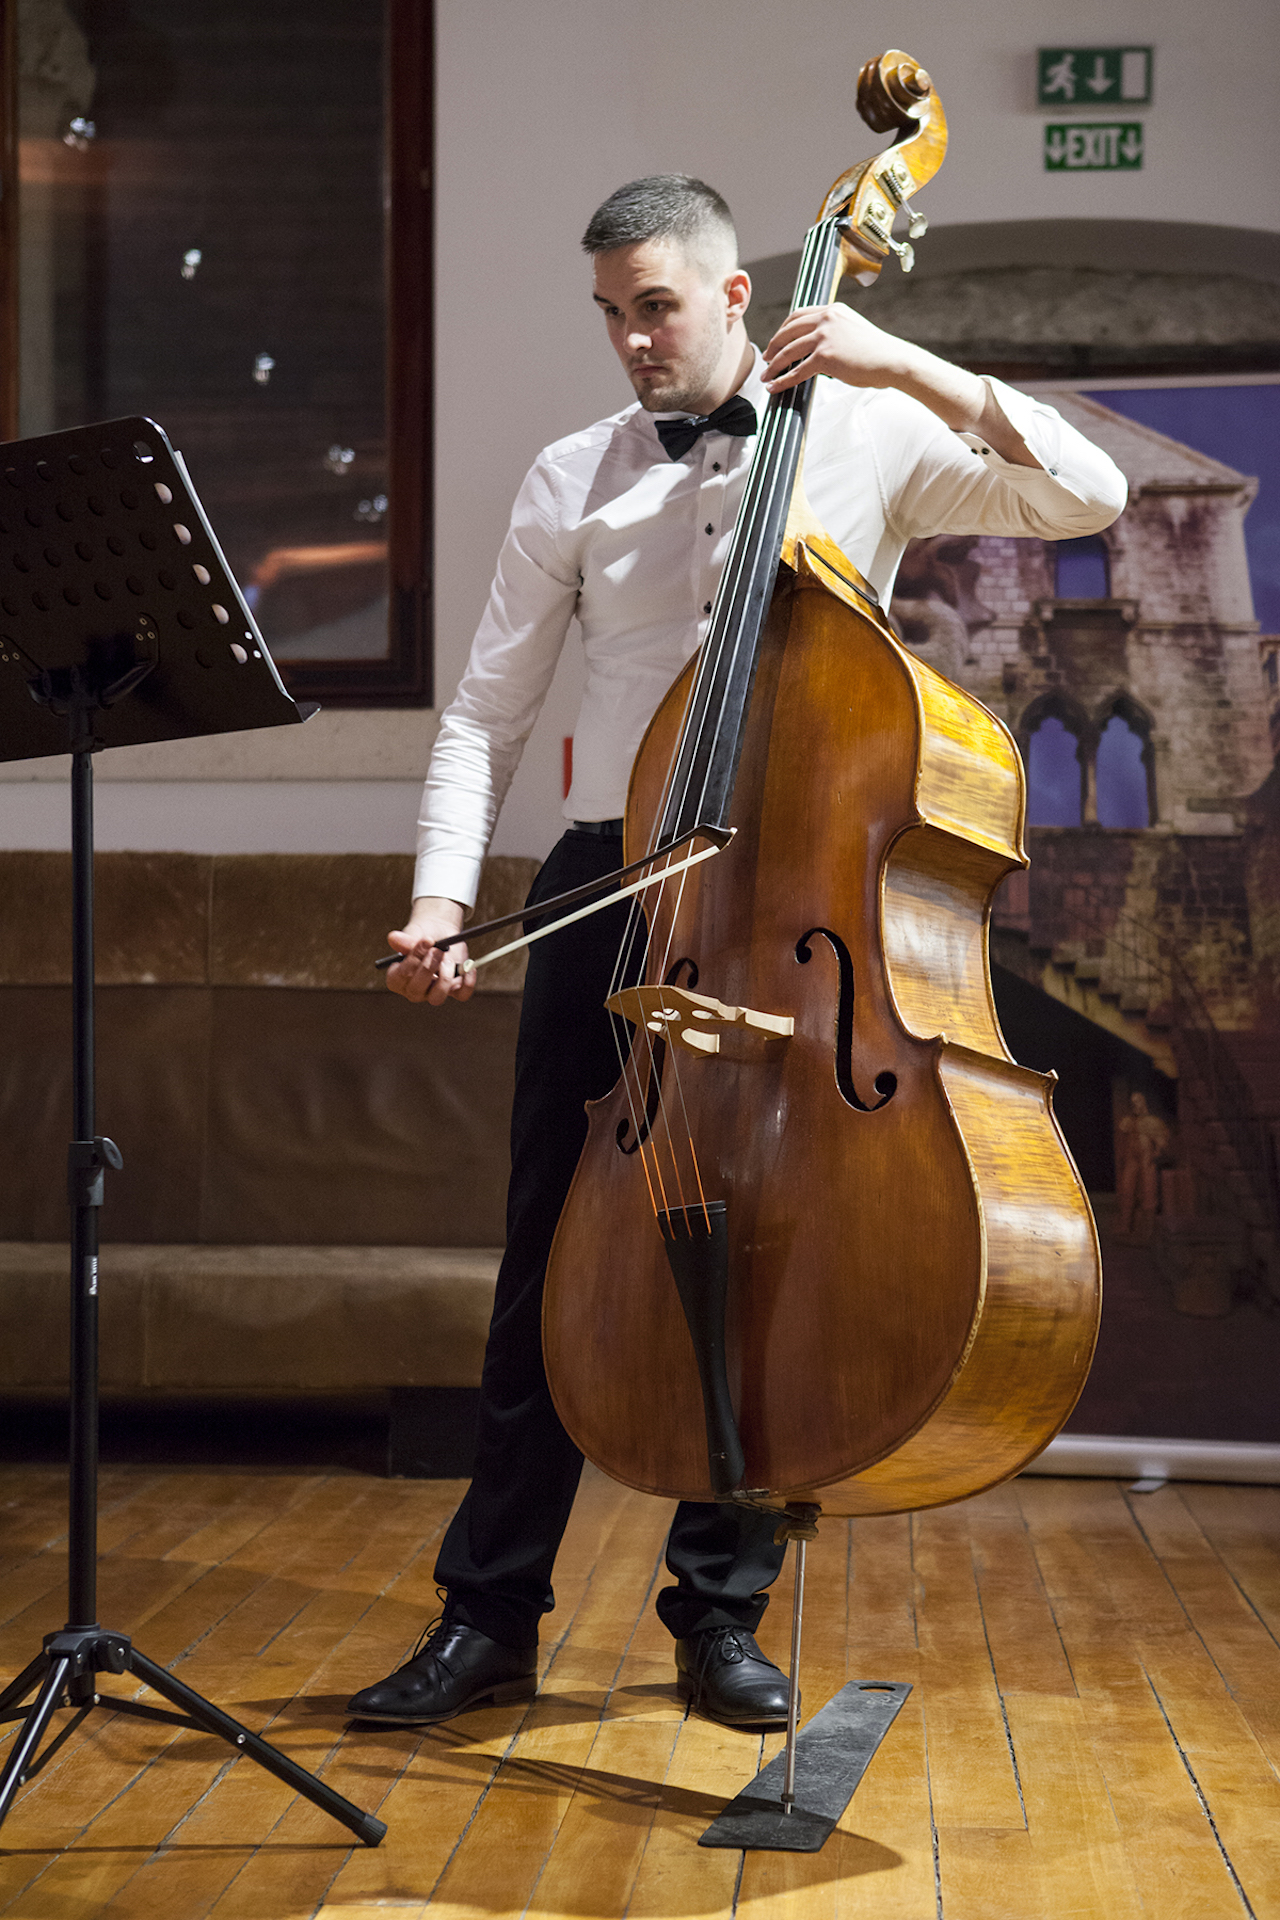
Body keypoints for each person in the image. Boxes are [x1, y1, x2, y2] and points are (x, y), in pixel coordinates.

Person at [346, 174, 1127, 1731]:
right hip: (614, 879)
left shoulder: (870, 431)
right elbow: (486, 715)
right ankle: (488, 1613)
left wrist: (910, 363)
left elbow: (1087, 493)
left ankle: (718, 1615)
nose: (633, 339)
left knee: (773, 1237)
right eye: (611, 314)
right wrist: (439, 902)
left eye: (656, 306)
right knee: (548, 1256)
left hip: (792, 884)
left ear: (732, 296)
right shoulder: (573, 474)